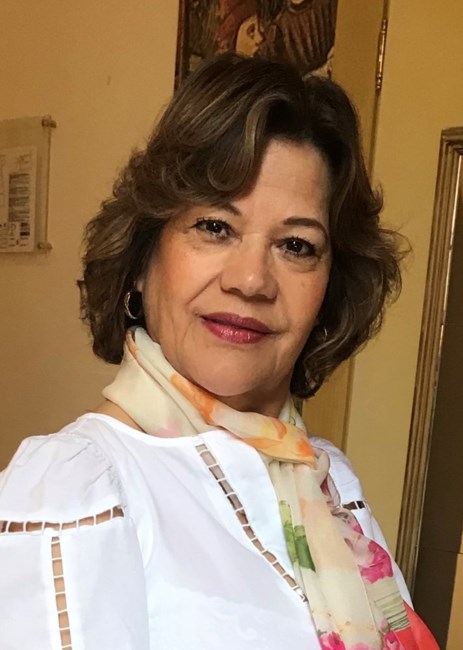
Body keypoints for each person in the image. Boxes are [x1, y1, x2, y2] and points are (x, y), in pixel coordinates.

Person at [0, 54, 437, 649]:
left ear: (329, 289)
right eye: (214, 227)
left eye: (296, 245)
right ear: (143, 259)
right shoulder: (77, 490)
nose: (251, 280)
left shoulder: (328, 482)